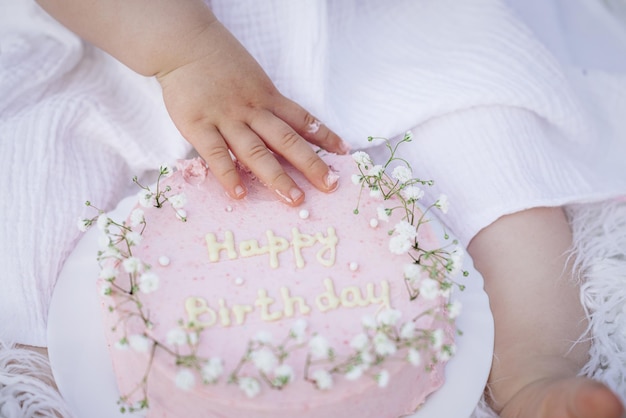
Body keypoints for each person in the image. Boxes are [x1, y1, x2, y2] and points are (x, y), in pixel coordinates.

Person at [2, 0, 625, 417]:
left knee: (495, 146)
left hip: (375, 30)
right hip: (136, 40)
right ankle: (41, 373)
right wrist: (182, 50)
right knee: (39, 170)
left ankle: (536, 367)